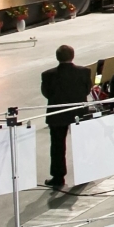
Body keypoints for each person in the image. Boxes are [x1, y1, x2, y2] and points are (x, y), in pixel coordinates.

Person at [41, 44, 95, 188]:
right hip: (79, 112)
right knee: (82, 143)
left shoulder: (48, 75)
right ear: (73, 56)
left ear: (57, 57)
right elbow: (87, 90)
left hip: (58, 113)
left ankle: (58, 177)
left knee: (57, 146)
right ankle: (85, 173)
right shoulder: (84, 72)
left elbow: (47, 93)